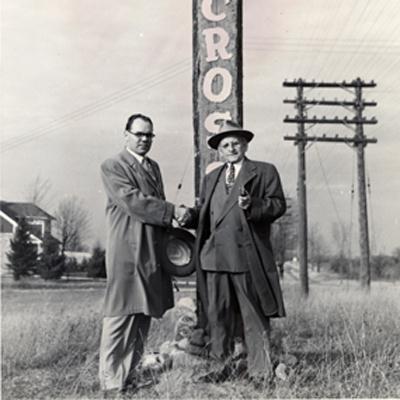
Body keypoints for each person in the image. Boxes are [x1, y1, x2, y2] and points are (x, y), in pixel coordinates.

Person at [182, 120, 287, 385]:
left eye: (235, 143)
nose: (231, 148)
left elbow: (277, 206)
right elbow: (207, 214)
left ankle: (260, 372)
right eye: (225, 144)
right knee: (217, 316)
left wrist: (253, 204)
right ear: (218, 150)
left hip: (245, 257)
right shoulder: (211, 178)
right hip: (213, 257)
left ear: (245, 144)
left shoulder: (263, 171)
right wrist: (188, 216)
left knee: (254, 315)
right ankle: (221, 367)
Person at [99, 113, 187, 396]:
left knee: (143, 314)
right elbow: (133, 202)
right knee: (119, 314)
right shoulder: (113, 165)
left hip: (151, 249)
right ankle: (111, 382)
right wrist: (172, 211)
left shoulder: (153, 167)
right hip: (126, 249)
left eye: (149, 135)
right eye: (139, 134)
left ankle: (129, 375)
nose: (144, 140)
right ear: (126, 134)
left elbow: (153, 204)